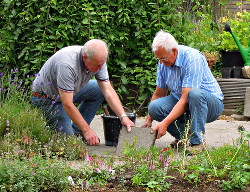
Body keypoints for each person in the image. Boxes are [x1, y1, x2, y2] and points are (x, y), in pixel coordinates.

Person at [31, 39, 135, 145]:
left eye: (102, 64)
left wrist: (123, 117)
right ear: (85, 58)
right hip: (47, 99)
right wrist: (87, 130)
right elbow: (67, 104)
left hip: (69, 92)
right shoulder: (67, 64)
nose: (100, 68)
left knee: (98, 89)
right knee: (69, 145)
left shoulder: (98, 60)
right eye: (97, 65)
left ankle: (77, 131)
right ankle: (80, 132)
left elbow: (107, 90)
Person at [142, 30, 224, 154]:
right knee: (154, 108)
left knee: (194, 94)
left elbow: (186, 98)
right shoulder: (163, 62)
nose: (161, 62)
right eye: (158, 59)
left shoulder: (192, 58)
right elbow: (159, 94)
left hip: (209, 103)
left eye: (163, 58)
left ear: (174, 51)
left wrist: (164, 123)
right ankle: (184, 138)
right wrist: (149, 120)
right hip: (183, 100)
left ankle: (198, 142)